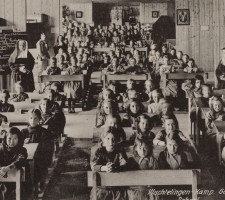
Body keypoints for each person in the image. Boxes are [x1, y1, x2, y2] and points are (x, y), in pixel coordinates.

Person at [90, 128, 128, 200]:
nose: (111, 142)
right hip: (102, 186)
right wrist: (104, 168)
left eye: (113, 139)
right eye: (108, 138)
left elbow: (124, 164)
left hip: (117, 184)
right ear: (103, 140)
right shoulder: (100, 151)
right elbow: (94, 166)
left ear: (117, 140)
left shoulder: (120, 151)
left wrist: (115, 167)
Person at [21, 109, 51, 192]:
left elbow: (46, 147)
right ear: (28, 119)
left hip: (40, 158)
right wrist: (23, 142)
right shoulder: (23, 131)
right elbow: (18, 146)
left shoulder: (44, 132)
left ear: (39, 119)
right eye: (30, 118)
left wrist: (34, 143)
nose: (33, 121)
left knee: (37, 168)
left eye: (35, 118)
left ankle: (37, 185)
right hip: (27, 157)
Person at [0, 127, 31, 200]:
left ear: (19, 139)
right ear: (5, 139)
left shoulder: (22, 150)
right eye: (9, 139)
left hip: (19, 181)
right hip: (4, 178)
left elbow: (20, 161)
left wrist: (8, 168)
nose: (11, 142)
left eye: (15, 139)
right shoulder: (1, 149)